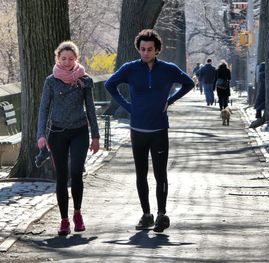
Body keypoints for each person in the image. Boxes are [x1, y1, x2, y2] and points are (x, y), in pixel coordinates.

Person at [104, 29, 194, 232]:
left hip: (159, 129)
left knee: (160, 174)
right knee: (141, 173)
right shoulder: (130, 68)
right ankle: (147, 215)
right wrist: (127, 107)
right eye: (142, 49)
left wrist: (170, 100)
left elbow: (188, 83)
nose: (145, 53)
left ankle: (162, 214)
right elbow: (110, 84)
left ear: (157, 50)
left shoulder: (168, 69)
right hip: (137, 129)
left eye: (149, 49)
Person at [37, 41, 100, 236]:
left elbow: (90, 108)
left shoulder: (84, 80)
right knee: (62, 176)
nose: (67, 62)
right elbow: (43, 109)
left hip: (80, 131)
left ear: (77, 59)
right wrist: (40, 135)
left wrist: (96, 136)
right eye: (63, 58)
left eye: (71, 59)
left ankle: (78, 214)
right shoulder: (51, 81)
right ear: (58, 58)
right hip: (57, 134)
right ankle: (64, 220)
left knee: (76, 172)